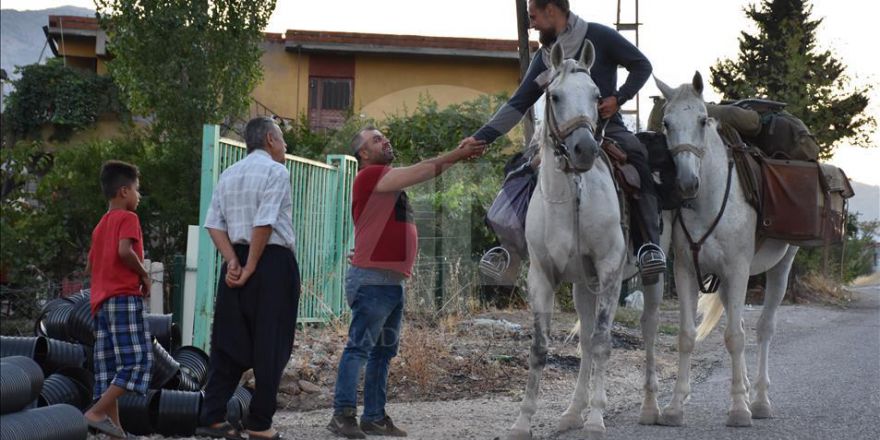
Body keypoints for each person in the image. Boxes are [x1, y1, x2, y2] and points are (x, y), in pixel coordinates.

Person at [461, 0, 666, 282]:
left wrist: (618, 99)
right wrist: (481, 138)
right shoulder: (544, 58)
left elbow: (642, 65)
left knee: (637, 158)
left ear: (551, 11)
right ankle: (507, 250)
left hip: (606, 127)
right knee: (516, 169)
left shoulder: (600, 36)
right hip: (557, 135)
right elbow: (518, 104)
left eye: (533, 17)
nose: (531, 24)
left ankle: (648, 247)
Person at [326, 127, 486, 438]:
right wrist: (459, 153)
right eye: (375, 139)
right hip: (373, 280)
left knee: (382, 352)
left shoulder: (386, 184)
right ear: (364, 154)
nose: (384, 140)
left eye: (384, 136)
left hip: (390, 282)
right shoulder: (370, 175)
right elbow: (423, 170)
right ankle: (342, 415)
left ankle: (373, 417)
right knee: (359, 348)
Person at [196, 117, 300, 440]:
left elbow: (213, 223)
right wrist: (253, 265)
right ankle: (259, 424)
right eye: (282, 140)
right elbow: (265, 222)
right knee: (271, 343)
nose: (284, 147)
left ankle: (211, 418)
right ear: (270, 139)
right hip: (271, 264)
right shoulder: (276, 171)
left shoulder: (229, 174)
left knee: (227, 343)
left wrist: (233, 261)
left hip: (235, 262)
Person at [84, 160, 153, 438]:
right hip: (123, 298)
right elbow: (125, 252)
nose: (139, 196)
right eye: (137, 190)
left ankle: (117, 433)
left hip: (99, 303)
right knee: (137, 361)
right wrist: (144, 275)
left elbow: (90, 265)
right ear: (124, 191)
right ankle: (96, 412)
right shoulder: (129, 218)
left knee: (110, 368)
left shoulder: (100, 226)